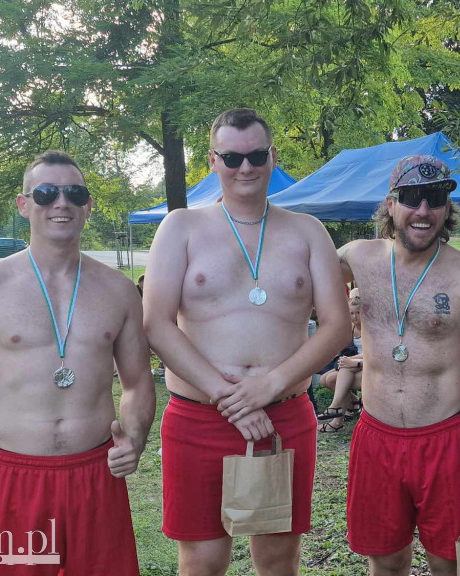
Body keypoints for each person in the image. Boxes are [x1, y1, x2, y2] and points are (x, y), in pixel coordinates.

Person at [0, 150, 156, 575]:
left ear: (88, 205)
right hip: (15, 477)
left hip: (95, 478)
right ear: (24, 204)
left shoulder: (119, 291)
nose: (60, 203)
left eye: (74, 192)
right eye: (46, 193)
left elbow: (138, 383)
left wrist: (135, 439)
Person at [142, 108, 350, 576]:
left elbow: (338, 327)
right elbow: (155, 323)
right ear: (212, 160)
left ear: (273, 156)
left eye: (256, 155)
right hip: (199, 417)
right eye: (232, 158)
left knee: (277, 560)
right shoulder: (181, 227)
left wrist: (269, 385)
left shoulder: (308, 231)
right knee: (202, 560)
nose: (245, 168)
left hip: (284, 417)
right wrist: (230, 396)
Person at [337, 154, 460, 576]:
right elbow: (290, 276)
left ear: (447, 208)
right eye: (412, 198)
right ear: (391, 204)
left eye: (434, 199)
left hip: (444, 441)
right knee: (386, 560)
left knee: (450, 561)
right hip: (376, 437)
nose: (423, 211)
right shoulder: (357, 257)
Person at [316, 293, 364, 433]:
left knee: (339, 374)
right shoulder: (351, 327)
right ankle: (354, 402)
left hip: (366, 361)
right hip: (355, 361)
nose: (354, 317)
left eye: (358, 313)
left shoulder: (369, 328)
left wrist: (351, 360)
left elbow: (372, 353)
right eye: (351, 313)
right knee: (325, 379)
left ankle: (337, 416)